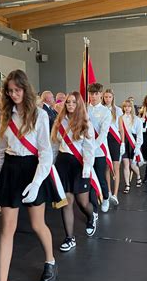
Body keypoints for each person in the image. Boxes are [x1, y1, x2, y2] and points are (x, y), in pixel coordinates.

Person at [0, 70, 58, 281]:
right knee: (7, 229)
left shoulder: (39, 115)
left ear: (25, 89)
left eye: (17, 90)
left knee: (38, 224)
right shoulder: (5, 114)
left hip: (32, 169)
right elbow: (0, 151)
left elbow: (45, 152)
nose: (13, 94)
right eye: (10, 90)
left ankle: (50, 261)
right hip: (11, 170)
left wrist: (37, 182)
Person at [51, 91, 96, 251]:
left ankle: (91, 216)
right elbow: (55, 145)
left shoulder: (86, 123)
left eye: (73, 102)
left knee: (82, 202)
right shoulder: (60, 121)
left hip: (79, 165)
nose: (70, 105)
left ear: (79, 105)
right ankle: (70, 238)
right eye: (68, 102)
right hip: (63, 164)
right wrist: (51, 164)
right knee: (67, 202)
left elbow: (89, 150)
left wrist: (87, 168)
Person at [87, 83, 111, 215]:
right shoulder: (84, 109)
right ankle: (93, 206)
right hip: (85, 151)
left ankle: (106, 198)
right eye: (91, 93)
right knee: (89, 179)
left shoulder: (105, 111)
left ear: (101, 94)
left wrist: (93, 147)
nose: (93, 96)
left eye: (96, 94)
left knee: (100, 177)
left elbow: (103, 133)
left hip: (99, 150)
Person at [102, 89, 124, 205]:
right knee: (106, 167)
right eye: (106, 97)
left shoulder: (118, 110)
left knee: (116, 167)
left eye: (109, 97)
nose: (107, 99)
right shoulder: (100, 109)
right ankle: (109, 192)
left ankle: (115, 195)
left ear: (113, 97)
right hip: (104, 140)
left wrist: (123, 143)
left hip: (115, 140)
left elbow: (121, 128)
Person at [120, 100, 143, 193]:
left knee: (133, 165)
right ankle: (127, 185)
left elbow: (139, 134)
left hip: (133, 142)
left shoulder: (137, 119)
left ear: (132, 108)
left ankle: (138, 176)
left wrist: (137, 147)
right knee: (125, 164)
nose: (127, 108)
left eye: (129, 106)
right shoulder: (121, 118)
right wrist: (121, 143)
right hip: (124, 142)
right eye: (125, 106)